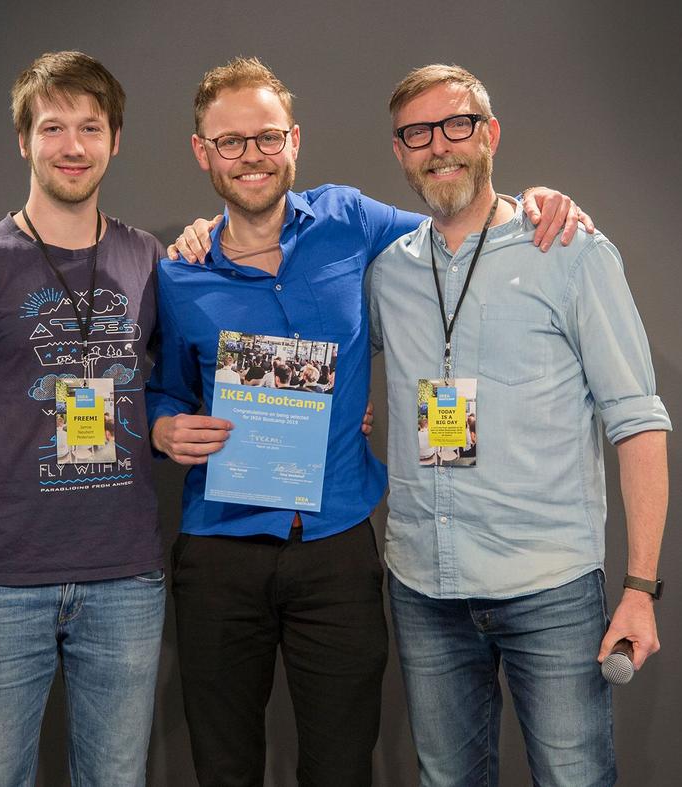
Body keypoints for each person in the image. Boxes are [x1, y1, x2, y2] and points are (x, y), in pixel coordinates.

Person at [148, 57, 592, 787]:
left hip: (337, 552)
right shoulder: (177, 272)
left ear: (294, 140)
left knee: (341, 767)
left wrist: (534, 199)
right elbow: (162, 391)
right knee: (223, 768)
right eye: (230, 142)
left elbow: (464, 221)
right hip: (219, 554)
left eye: (265, 137)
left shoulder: (351, 220)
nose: (250, 156)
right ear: (203, 153)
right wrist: (166, 430)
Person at [368, 64, 672, 786]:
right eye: (418, 133)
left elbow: (638, 423)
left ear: (491, 134)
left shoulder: (570, 252)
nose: (439, 146)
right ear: (400, 151)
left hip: (551, 588)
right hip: (423, 586)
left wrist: (640, 586)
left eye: (457, 125)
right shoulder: (388, 272)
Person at [0, 51, 165, 787]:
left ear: (115, 138)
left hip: (125, 579)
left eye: (90, 127)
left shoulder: (149, 258)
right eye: (53, 127)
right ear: (24, 139)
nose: (73, 146)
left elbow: (181, 384)